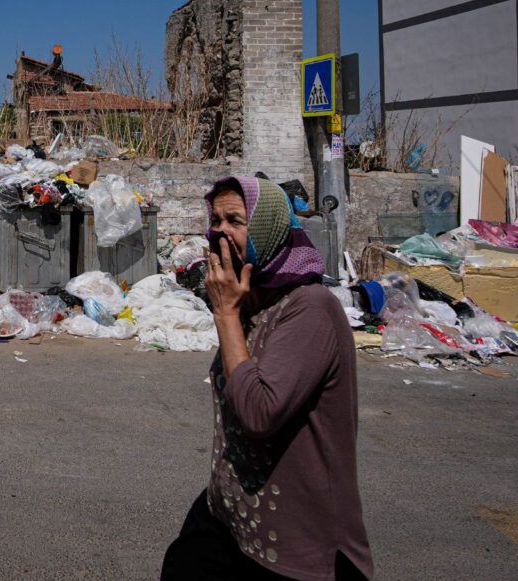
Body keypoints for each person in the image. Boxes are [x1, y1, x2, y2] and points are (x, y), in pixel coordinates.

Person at [160, 176, 374, 580]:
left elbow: (259, 413)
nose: (220, 230)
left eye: (235, 220)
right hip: (231, 517)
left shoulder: (311, 309)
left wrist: (224, 315)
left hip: (297, 547)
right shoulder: (250, 299)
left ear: (268, 230)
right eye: (216, 219)